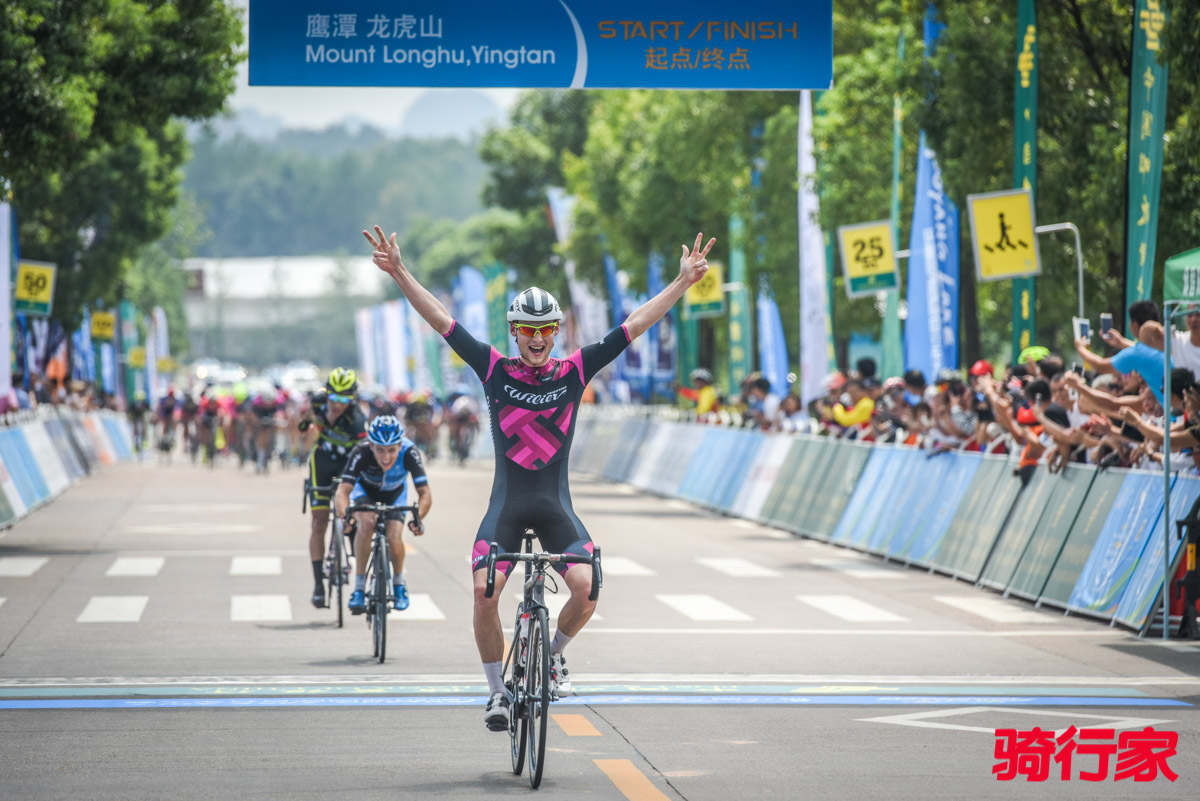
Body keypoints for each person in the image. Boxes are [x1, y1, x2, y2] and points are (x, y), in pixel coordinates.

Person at [364, 224, 714, 731]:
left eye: (546, 329)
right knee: (484, 592)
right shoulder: (493, 370)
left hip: (554, 508)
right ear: (515, 332)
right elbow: (442, 321)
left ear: (555, 332)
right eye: (527, 330)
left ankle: (551, 656)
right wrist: (399, 272)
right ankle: (497, 692)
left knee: (587, 587)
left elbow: (633, 325)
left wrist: (681, 282)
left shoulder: (575, 371)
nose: (536, 338)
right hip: (506, 508)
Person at [335, 414, 431, 614]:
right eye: (380, 450)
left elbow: (425, 493)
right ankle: (359, 588)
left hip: (395, 493)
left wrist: (418, 518)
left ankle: (399, 583)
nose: (386, 457)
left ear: (400, 446)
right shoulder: (361, 451)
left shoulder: (410, 451)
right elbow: (342, 492)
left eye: (391, 450)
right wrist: (346, 516)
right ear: (371, 445)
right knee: (366, 523)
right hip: (365, 491)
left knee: (394, 536)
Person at [300, 368, 368, 609]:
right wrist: (306, 422)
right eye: (333, 397)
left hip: (348, 464)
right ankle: (318, 585)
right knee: (319, 522)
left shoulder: (357, 420)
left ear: (352, 398)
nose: (337, 404)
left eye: (343, 398)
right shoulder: (318, 403)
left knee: (350, 518)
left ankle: (357, 561)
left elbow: (365, 452)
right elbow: (305, 420)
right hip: (323, 462)